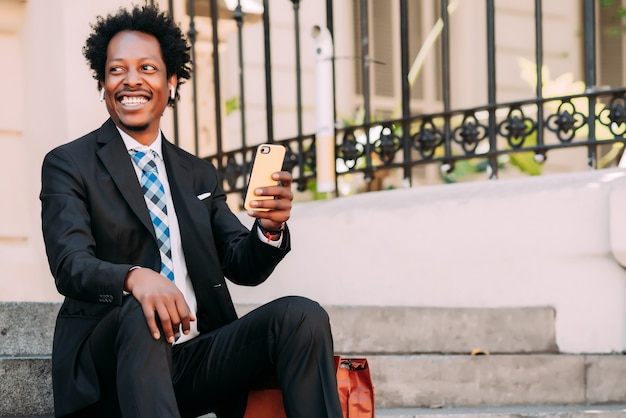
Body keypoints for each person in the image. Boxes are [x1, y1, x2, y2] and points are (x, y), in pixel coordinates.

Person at [39, 5, 342, 418]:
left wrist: (268, 230)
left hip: (194, 358)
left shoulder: (196, 173)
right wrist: (135, 278)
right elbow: (69, 264)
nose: (131, 80)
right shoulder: (68, 164)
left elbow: (241, 264)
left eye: (147, 68)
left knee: (301, 315)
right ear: (102, 83)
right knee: (141, 310)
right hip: (112, 364)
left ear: (172, 82)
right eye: (116, 70)